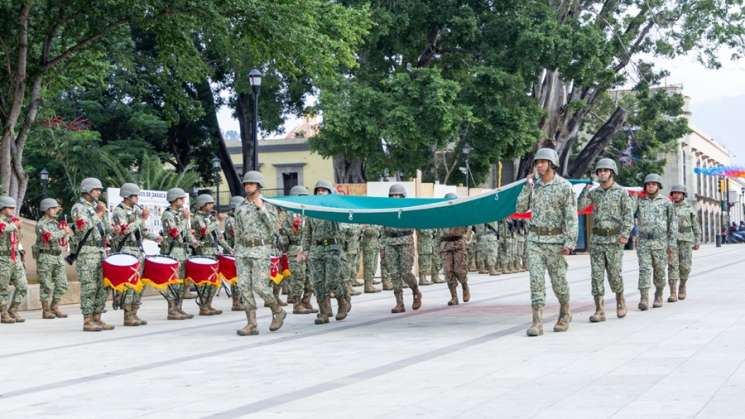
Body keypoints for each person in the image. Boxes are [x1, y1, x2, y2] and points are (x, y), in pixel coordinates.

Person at [516, 148, 578, 337]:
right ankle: (537, 321)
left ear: (552, 164)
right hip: (535, 240)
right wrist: (527, 186)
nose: (539, 165)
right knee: (536, 281)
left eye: (542, 162)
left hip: (556, 241)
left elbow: (571, 217)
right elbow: (519, 207)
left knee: (558, 282)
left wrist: (570, 242)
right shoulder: (534, 186)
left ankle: (565, 312)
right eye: (537, 162)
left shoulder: (564, 187)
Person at [577, 158, 634, 321]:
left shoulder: (622, 192)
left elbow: (628, 215)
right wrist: (585, 190)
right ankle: (599, 309)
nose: (602, 173)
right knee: (596, 275)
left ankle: (620, 301)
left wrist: (625, 234)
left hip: (615, 240)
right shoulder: (594, 193)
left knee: (614, 275)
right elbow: (580, 207)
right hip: (596, 239)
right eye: (599, 171)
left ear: (612, 173)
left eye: (605, 171)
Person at [234, 171, 287, 335]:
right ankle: (251, 323)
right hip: (243, 251)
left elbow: (274, 227)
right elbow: (238, 230)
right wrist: (236, 250)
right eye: (246, 184)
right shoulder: (240, 207)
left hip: (260, 250)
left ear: (258, 186)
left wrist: (261, 208)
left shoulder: (268, 205)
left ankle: (277, 310)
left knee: (260, 286)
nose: (247, 186)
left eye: (251, 184)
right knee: (243, 287)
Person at [298, 180, 349, 324]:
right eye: (318, 190)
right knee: (318, 283)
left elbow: (344, 225)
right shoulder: (311, 210)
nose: (320, 192)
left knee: (332, 281)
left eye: (323, 190)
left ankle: (342, 302)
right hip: (316, 249)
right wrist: (305, 250)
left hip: (332, 248)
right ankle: (324, 312)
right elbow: (307, 233)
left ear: (329, 193)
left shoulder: (334, 208)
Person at [111, 183, 161, 326]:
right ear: (127, 196)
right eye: (135, 196)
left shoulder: (136, 211)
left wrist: (155, 237)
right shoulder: (119, 211)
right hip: (126, 250)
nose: (137, 198)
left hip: (138, 250)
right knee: (129, 284)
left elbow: (143, 230)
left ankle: (134, 312)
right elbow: (125, 230)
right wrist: (141, 219)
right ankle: (127, 316)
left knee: (139, 283)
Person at [71, 178, 113, 331]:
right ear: (87, 191)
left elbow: (107, 230)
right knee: (89, 287)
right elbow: (83, 227)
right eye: (96, 190)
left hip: (100, 251)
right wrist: (99, 214)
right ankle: (87, 320)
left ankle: (98, 317)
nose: (99, 192)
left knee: (103, 286)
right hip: (87, 252)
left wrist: (106, 219)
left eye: (99, 190)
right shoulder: (78, 208)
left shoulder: (97, 207)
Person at [634, 173, 677, 310]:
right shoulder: (640, 202)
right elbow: (629, 216)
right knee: (644, 270)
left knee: (659, 270)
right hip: (644, 242)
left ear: (658, 186)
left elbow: (673, 223)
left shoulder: (666, 202)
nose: (650, 186)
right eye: (648, 184)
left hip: (660, 242)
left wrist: (671, 244)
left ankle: (658, 294)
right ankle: (644, 298)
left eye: (653, 184)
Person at [381, 184, 422, 313]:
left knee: (405, 272)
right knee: (393, 273)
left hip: (405, 241)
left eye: (398, 195)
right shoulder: (386, 210)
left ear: (403, 196)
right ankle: (400, 303)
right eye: (392, 195)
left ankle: (416, 291)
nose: (395, 197)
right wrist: (382, 246)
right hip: (389, 242)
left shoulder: (409, 209)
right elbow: (382, 229)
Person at [278, 185, 317, 314]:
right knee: (298, 278)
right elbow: (283, 235)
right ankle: (296, 304)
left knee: (310, 278)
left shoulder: (308, 213)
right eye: (301, 197)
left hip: (309, 248)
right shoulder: (288, 214)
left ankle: (306, 301)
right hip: (294, 248)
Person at [160, 187, 198, 320]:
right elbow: (174, 232)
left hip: (183, 251)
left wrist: (194, 242)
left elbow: (187, 232)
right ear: (174, 199)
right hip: (173, 251)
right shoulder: (168, 214)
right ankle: (172, 310)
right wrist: (185, 219)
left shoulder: (181, 214)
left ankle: (179, 308)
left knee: (182, 282)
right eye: (181, 198)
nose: (183, 200)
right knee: (174, 282)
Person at [192, 194, 232, 315]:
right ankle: (203, 306)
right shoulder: (197, 218)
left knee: (214, 281)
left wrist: (228, 248)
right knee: (205, 281)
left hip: (214, 251)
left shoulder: (210, 218)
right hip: (204, 251)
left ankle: (208, 304)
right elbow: (204, 231)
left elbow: (219, 237)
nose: (211, 206)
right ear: (202, 205)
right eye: (209, 204)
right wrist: (216, 221)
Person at [34, 198, 72, 319]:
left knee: (63, 284)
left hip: (57, 256)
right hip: (45, 256)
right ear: (46, 209)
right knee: (46, 285)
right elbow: (50, 237)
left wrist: (65, 235)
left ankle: (54, 307)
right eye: (54, 208)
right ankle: (46, 311)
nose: (56, 210)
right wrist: (63, 232)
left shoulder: (56, 223)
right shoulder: (41, 224)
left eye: (56, 208)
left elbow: (61, 240)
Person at [668, 184, 701, 301]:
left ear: (683, 195)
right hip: (671, 241)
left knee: (685, 266)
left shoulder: (689, 208)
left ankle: (682, 285)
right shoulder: (668, 208)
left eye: (679, 193)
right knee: (672, 266)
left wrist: (697, 240)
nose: (676, 195)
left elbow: (696, 226)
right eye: (674, 193)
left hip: (686, 241)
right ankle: (672, 292)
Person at [0, 196, 28, 324]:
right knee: (3, 288)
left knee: (22, 285)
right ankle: (4, 313)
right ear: (2, 208)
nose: (12, 210)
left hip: (15, 257)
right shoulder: (3, 221)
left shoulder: (14, 221)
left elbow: (18, 239)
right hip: (2, 258)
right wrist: (14, 225)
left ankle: (13, 309)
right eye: (10, 208)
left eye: (13, 208)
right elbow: (4, 228)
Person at [440, 193, 470, 305]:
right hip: (446, 243)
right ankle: (454, 296)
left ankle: (465, 286)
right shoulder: (441, 215)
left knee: (459, 270)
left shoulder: (461, 214)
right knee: (448, 271)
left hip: (458, 243)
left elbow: (468, 226)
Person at [224, 195, 246, 311]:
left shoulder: (237, 219)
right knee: (236, 278)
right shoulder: (231, 221)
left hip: (241, 251)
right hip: (234, 251)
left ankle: (241, 300)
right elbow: (237, 235)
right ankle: (236, 302)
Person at [360, 224, 382, 293]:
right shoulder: (365, 220)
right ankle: (368, 286)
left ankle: (370, 283)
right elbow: (366, 231)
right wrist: (376, 229)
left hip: (375, 245)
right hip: (369, 246)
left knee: (374, 266)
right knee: (369, 267)